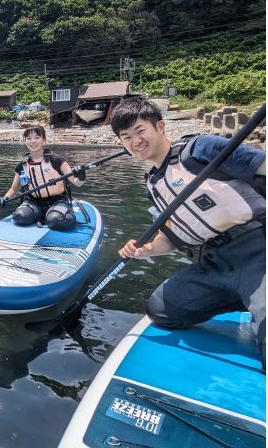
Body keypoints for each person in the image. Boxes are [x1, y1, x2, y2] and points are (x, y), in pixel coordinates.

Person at [111, 97, 266, 366]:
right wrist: (146, 250)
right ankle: (247, 298)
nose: (135, 141)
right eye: (126, 137)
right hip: (214, 262)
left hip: (257, 249)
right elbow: (172, 238)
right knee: (161, 310)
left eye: (140, 131)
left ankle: (257, 296)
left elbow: (262, 166)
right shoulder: (153, 185)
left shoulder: (201, 148)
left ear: (160, 126)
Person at [0, 125, 86, 230]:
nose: (33, 141)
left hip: (57, 200)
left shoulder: (56, 160)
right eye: (29, 138)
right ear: (25, 141)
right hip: (33, 202)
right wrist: (4, 199)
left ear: (44, 140)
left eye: (37, 137)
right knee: (19, 217)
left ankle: (59, 214)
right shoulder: (22, 166)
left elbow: (77, 182)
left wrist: (81, 175)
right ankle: (42, 216)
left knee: (56, 220)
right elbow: (14, 189)